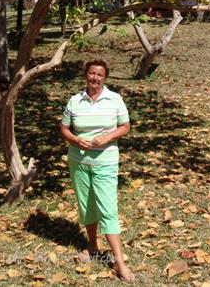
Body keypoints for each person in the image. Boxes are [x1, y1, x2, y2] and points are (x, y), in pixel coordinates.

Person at [60, 58, 135, 282]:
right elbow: (64, 128)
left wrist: (108, 136)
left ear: (105, 78)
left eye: (100, 75)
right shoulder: (75, 101)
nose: (95, 78)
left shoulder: (115, 99)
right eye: (92, 73)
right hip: (79, 162)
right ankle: (92, 247)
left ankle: (119, 262)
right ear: (86, 74)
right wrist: (74, 140)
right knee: (86, 205)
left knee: (107, 209)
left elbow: (126, 126)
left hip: (106, 162)